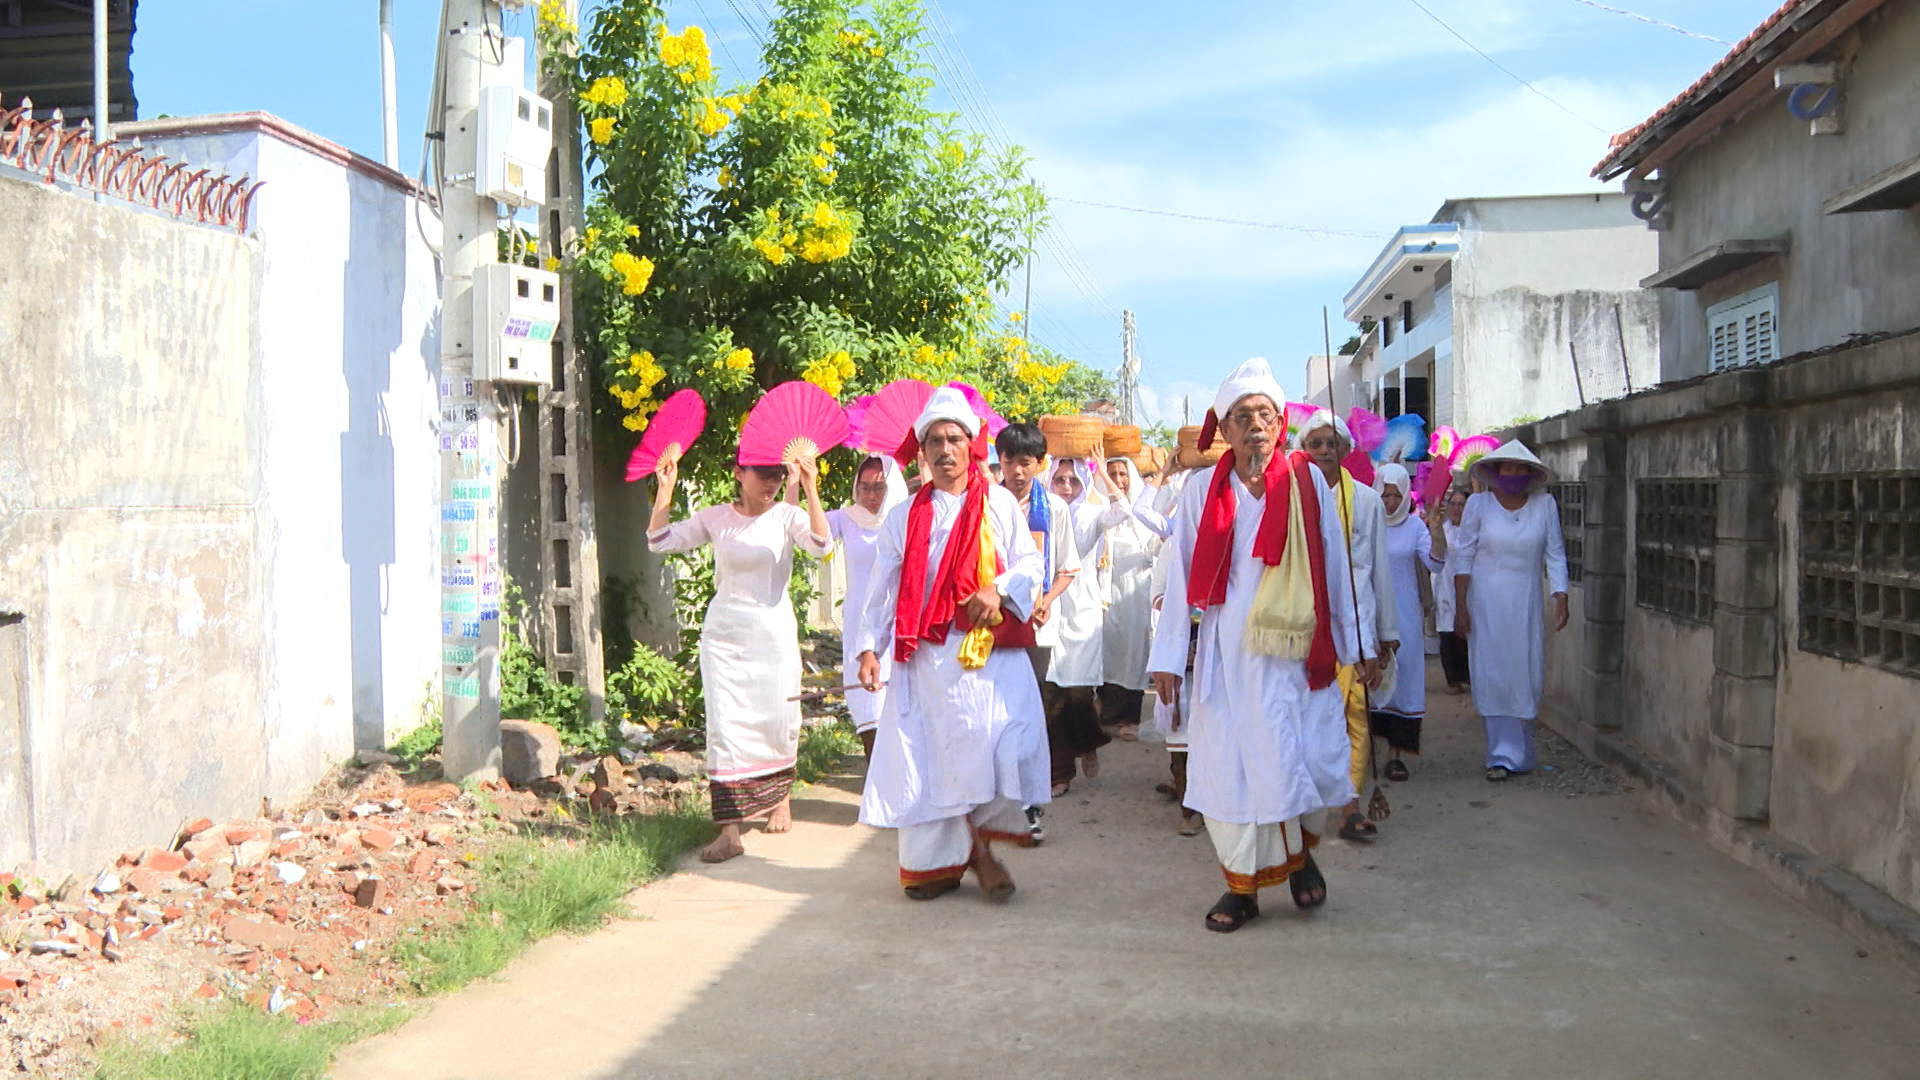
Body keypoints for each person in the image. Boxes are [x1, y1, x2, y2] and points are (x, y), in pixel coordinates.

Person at [1148, 359, 1373, 933]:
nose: (1255, 425)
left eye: (1265, 414)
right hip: (1226, 656)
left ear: (1280, 424)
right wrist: (1169, 658)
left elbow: (1334, 568)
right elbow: (1179, 573)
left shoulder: (1308, 484)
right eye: (1242, 416)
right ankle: (1241, 890)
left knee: (1298, 760)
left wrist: (1357, 643)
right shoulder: (1201, 490)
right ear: (1224, 428)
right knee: (1230, 771)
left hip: (1294, 655)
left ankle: (1299, 859)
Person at [854, 387, 1049, 901]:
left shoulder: (998, 503)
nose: (945, 450)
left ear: (971, 446)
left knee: (1009, 744)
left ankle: (980, 850)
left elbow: (1031, 563)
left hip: (989, 658)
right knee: (935, 762)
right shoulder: (903, 517)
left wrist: (998, 589)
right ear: (922, 452)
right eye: (935, 441)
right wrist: (870, 648)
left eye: (954, 439)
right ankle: (953, 862)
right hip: (927, 662)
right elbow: (882, 589)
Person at [648, 452, 832, 864]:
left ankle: (780, 799)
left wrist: (809, 485)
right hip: (725, 638)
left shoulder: (787, 516)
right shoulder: (717, 517)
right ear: (738, 473)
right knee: (725, 726)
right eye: (762, 474)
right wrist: (665, 489)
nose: (770, 482)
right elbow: (659, 541)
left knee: (778, 719)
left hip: (772, 636)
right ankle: (729, 830)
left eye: (776, 474)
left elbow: (822, 546)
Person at [1296, 412, 1391, 843]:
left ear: (1346, 450)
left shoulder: (1367, 501)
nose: (1323, 451)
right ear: (1303, 450)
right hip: (1306, 624)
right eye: (1315, 443)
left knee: (1355, 713)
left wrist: (1385, 635)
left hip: (1356, 623)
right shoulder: (1291, 497)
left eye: (1331, 443)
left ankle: (1350, 806)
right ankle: (1304, 802)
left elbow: (1380, 571)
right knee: (1309, 713)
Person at [1452, 441, 1570, 781]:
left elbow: (1555, 554)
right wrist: (1461, 607)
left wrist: (1561, 596)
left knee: (1523, 672)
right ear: (1496, 471)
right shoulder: (1479, 505)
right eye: (1508, 467)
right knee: (1493, 674)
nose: (1514, 473)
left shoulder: (1545, 506)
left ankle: (1521, 753)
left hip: (1526, 604)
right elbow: (1463, 556)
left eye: (1521, 468)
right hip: (1486, 605)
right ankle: (1499, 756)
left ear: (1531, 474)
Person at [994, 421, 1083, 840]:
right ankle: (997, 800)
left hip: (1036, 628)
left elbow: (1067, 567)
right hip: (993, 626)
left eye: (1026, 462)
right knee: (995, 716)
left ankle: (1029, 803)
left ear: (1040, 464)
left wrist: (1046, 600)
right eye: (1009, 461)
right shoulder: (985, 504)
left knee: (1029, 714)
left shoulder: (1055, 509)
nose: (1017, 471)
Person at [1043, 454, 1125, 794]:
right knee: (1051, 693)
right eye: (1059, 479)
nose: (1066, 487)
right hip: (1048, 609)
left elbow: (1123, 511)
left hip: (1083, 612)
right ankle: (1059, 773)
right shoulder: (1041, 512)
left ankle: (1089, 743)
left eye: (1074, 480)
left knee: (1078, 693)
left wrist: (1102, 471)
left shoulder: (1092, 514)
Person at [825, 456, 909, 757]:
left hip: (899, 624)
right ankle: (874, 781)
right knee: (869, 711)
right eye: (864, 488)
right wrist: (804, 483)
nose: (871, 496)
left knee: (902, 715)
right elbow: (812, 535)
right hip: (860, 625)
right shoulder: (847, 518)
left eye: (879, 488)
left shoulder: (906, 518)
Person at [1369, 464, 1443, 780]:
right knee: (1370, 678)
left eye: (1395, 495)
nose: (1389, 501)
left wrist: (1436, 531)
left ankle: (1395, 755)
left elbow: (1436, 563)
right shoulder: (1366, 523)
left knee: (1403, 678)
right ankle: (1365, 753)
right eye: (1384, 495)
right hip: (1371, 613)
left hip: (1405, 617)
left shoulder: (1414, 527)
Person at [1097, 453, 1157, 742]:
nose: (1118, 480)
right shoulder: (1098, 514)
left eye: (1123, 474)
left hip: (1135, 596)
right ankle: (1105, 712)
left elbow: (1153, 549)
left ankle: (1129, 717)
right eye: (1112, 474)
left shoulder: (1141, 515)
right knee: (1105, 652)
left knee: (1133, 654)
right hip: (1103, 595)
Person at [1430, 486, 1472, 694]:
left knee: (1467, 634)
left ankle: (1469, 676)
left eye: (1461, 504)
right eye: (1453, 504)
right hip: (1445, 586)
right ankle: (1453, 679)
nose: (1456, 508)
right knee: (1447, 633)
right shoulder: (1442, 530)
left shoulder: (1472, 533)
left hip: (1468, 588)